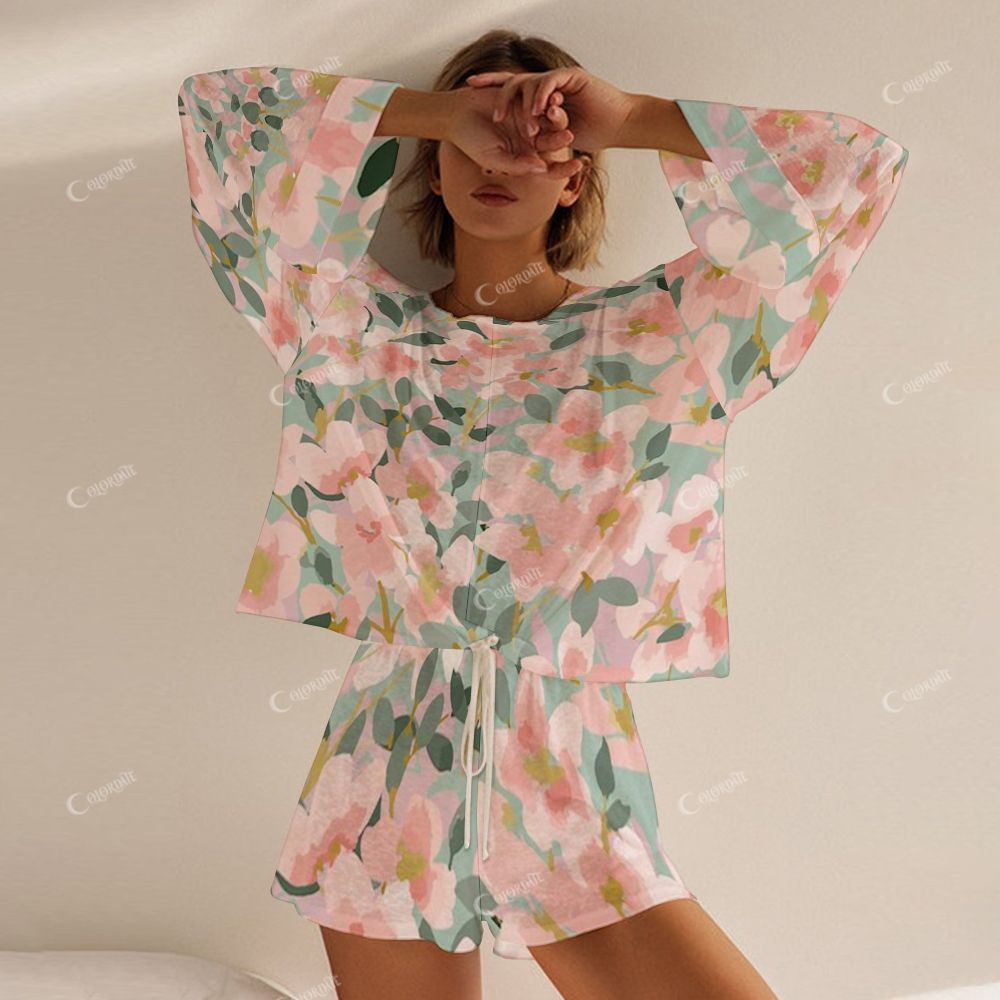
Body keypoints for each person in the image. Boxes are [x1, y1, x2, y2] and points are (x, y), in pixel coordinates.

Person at [176, 28, 908, 1000]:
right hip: (387, 767)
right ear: (431, 167)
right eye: (475, 137)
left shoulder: (673, 332)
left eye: (539, 141)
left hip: (566, 768)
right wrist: (438, 112)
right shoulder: (342, 324)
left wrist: (632, 117)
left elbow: (853, 173)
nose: (500, 157)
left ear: (576, 179)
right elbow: (220, 119)